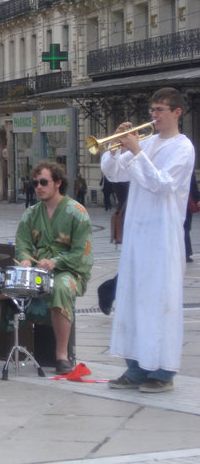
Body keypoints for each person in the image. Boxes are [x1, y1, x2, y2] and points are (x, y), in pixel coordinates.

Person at [102, 87, 194, 393]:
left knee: (159, 301)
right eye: (151, 110)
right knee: (132, 299)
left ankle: (163, 371)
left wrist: (137, 152)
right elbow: (115, 175)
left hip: (163, 234)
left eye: (160, 110)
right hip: (137, 232)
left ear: (177, 112)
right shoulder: (148, 140)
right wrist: (116, 147)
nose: (153, 116)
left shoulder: (183, 147)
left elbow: (162, 184)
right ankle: (136, 368)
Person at [0, 161, 93, 375]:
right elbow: (22, 244)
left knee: (61, 288)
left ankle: (61, 356)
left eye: (43, 182)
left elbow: (81, 253)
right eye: (35, 183)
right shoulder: (31, 213)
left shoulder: (77, 213)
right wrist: (24, 260)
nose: (38, 187)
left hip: (67, 271)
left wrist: (56, 261)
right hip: (36, 271)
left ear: (58, 182)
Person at [184, 170, 199, 263]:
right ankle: (186, 252)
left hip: (183, 200)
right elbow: (193, 183)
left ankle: (186, 252)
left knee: (184, 227)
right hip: (185, 200)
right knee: (186, 227)